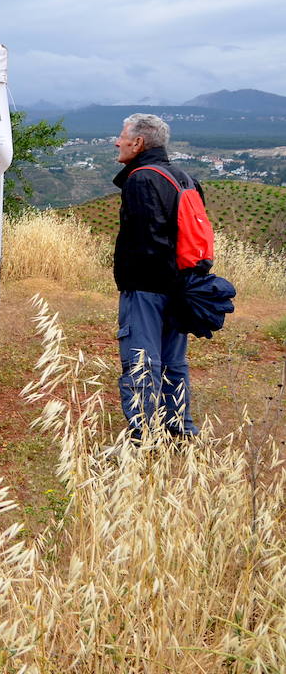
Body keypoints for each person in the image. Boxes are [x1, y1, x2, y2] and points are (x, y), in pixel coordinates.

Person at [111, 112, 199, 440]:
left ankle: (145, 439)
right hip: (182, 286)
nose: (117, 141)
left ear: (138, 142)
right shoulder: (184, 177)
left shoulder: (141, 180)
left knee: (141, 364)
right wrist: (180, 286)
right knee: (174, 364)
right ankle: (180, 431)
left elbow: (148, 239)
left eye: (122, 136)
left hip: (147, 289)